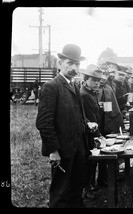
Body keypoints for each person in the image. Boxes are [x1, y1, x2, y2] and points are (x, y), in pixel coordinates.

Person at [36, 44, 98, 208]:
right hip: (63, 150)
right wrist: (53, 150)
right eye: (69, 63)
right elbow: (44, 122)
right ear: (59, 63)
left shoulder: (74, 87)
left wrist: (87, 124)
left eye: (77, 64)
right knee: (60, 193)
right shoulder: (51, 87)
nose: (74, 67)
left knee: (77, 188)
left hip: (79, 149)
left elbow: (79, 115)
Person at [79, 64, 107, 198]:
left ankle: (91, 184)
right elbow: (90, 118)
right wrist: (98, 135)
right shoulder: (84, 95)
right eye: (94, 80)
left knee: (93, 161)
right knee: (89, 161)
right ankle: (87, 188)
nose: (97, 83)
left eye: (99, 81)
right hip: (88, 133)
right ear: (85, 79)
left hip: (93, 132)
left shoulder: (91, 93)